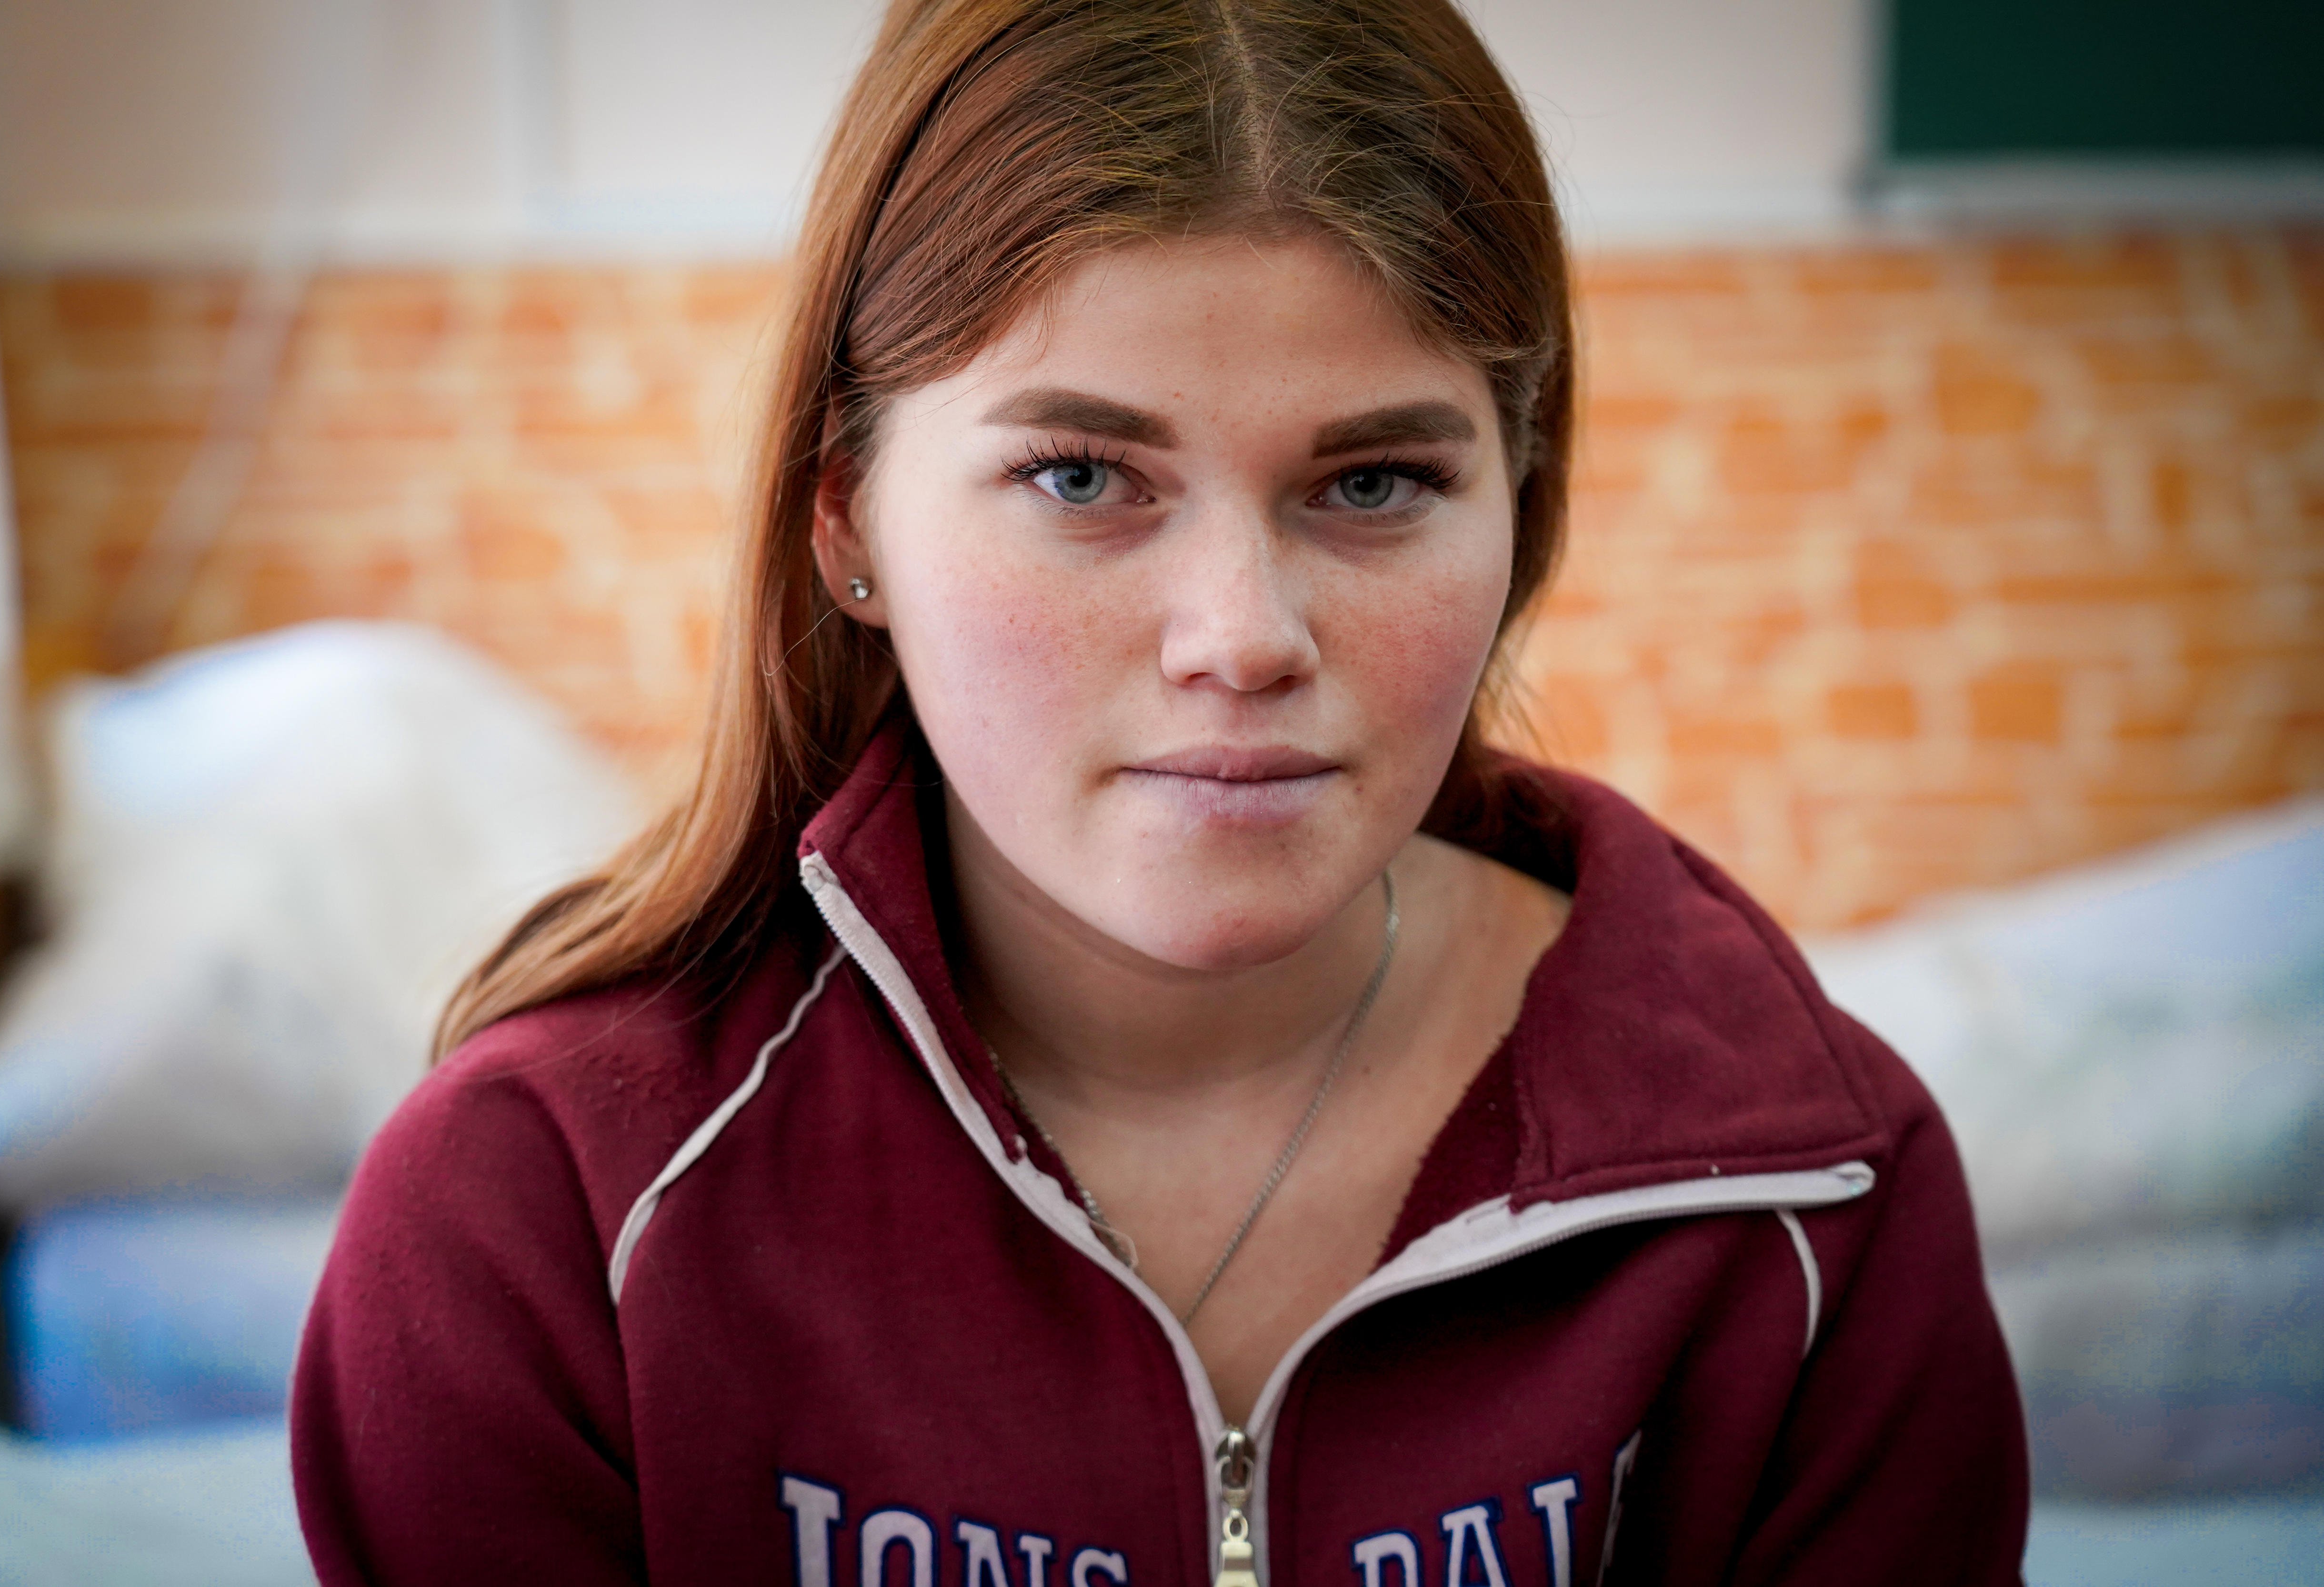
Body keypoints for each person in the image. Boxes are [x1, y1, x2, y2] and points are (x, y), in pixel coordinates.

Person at [290, 1, 2030, 1581]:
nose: (1244, 637)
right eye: (1080, 477)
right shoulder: (539, 1220)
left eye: (1373, 484)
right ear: (846, 521)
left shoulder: (1811, 1201)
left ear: (1526, 506)